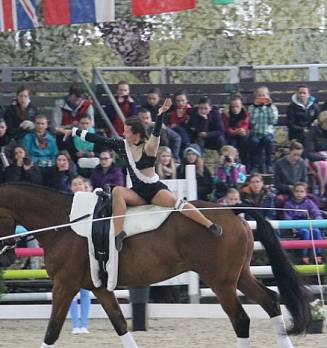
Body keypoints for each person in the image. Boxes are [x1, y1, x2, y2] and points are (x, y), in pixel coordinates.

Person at [60, 98, 222, 252]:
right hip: (137, 191)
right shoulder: (122, 145)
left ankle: (209, 224)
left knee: (176, 202)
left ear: (137, 133)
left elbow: (156, 133)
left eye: (127, 132)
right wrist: (74, 131)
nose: (123, 134)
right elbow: (98, 139)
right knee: (117, 191)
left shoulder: (149, 147)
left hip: (154, 190)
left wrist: (161, 114)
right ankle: (118, 234)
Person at [68, 176, 92, 334]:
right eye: (74, 184)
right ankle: (75, 324)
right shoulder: (66, 203)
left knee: (85, 289)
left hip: (87, 247)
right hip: (70, 249)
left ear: (85, 187)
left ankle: (84, 324)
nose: (77, 186)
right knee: (69, 288)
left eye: (79, 184)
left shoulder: (90, 202)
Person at [283, 182, 324, 265]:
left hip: (309, 224)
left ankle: (318, 255)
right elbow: (288, 218)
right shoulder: (288, 204)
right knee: (305, 232)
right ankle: (304, 256)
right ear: (293, 192)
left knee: (316, 231)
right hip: (296, 227)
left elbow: (317, 213)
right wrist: (294, 224)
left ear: (305, 193)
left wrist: (317, 220)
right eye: (297, 191)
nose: (299, 193)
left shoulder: (309, 203)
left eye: (301, 191)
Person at [305, 111, 327, 196]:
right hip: (315, 158)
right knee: (325, 166)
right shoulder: (312, 133)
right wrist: (324, 158)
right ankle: (324, 191)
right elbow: (309, 153)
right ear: (325, 122)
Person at [248, 86, 278, 173]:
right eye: (259, 96)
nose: (261, 98)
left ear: (268, 97)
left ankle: (269, 165)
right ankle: (256, 166)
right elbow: (252, 121)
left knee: (269, 141)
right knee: (254, 142)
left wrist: (268, 107)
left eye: (263, 95)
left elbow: (273, 121)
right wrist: (256, 108)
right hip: (255, 132)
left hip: (267, 133)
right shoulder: (251, 108)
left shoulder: (272, 108)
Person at [273, 141, 308, 206]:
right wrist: (289, 187)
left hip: (299, 191)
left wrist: (299, 188)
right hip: (285, 192)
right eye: (294, 154)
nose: (296, 158)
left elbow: (304, 181)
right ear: (289, 151)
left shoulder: (302, 163)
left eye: (299, 155)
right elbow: (277, 184)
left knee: (313, 198)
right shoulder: (279, 163)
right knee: (279, 199)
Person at [222, 94, 250, 164]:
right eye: (233, 107)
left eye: (237, 107)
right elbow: (226, 127)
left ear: (241, 106)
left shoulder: (245, 114)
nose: (235, 109)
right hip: (229, 135)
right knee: (232, 143)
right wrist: (234, 132)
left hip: (241, 134)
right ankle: (232, 162)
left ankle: (244, 164)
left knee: (244, 140)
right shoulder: (226, 115)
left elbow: (246, 124)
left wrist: (242, 130)